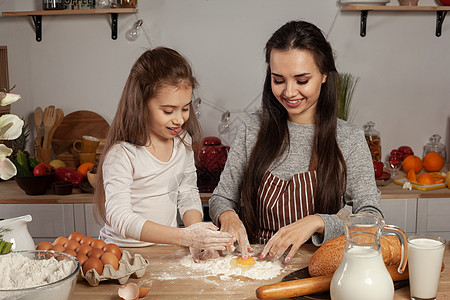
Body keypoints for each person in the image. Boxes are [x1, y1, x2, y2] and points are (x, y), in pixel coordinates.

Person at [208, 20, 382, 263]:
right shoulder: (253, 129)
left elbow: (372, 218)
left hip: (322, 267)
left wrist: (318, 221)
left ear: (324, 75)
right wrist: (227, 216)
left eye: (301, 81)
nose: (289, 92)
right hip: (257, 265)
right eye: (278, 80)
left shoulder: (348, 138)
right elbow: (221, 198)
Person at [94, 47, 233, 261]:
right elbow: (119, 217)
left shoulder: (182, 143)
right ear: (141, 104)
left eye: (185, 108)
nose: (178, 119)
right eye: (168, 111)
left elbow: (187, 194)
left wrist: (198, 237)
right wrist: (185, 237)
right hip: (121, 255)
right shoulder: (122, 154)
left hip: (165, 252)